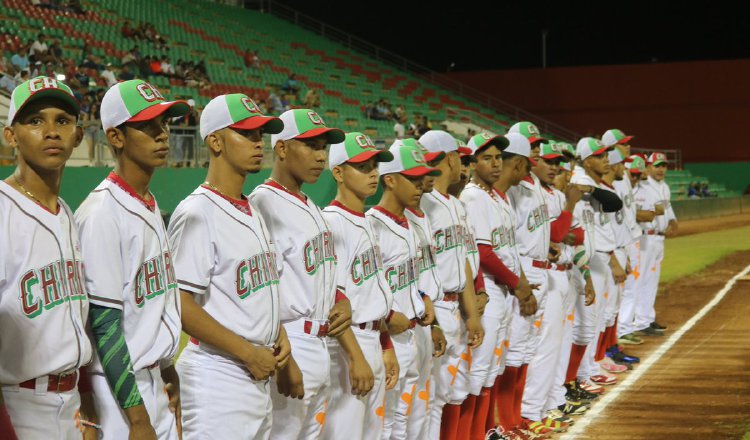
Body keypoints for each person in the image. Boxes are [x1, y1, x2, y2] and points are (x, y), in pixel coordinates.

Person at [167, 93, 294, 439]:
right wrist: (248, 353)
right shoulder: (197, 212)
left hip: (253, 372)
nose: (258, 142)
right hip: (217, 374)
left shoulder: (251, 208)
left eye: (259, 134)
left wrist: (277, 334)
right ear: (216, 141)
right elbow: (179, 303)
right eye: (246, 133)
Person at [75, 79, 191, 439]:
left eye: (163, 124)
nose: (161, 134)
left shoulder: (146, 200)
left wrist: (168, 371)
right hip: (118, 393)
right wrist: (138, 420)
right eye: (147, 126)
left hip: (151, 380)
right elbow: (105, 326)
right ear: (116, 137)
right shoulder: (101, 214)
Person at [248, 109, 354, 439]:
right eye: (310, 145)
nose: (321, 155)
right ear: (281, 149)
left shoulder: (310, 204)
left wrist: (343, 300)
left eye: (323, 147)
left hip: (320, 341)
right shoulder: (263, 203)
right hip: (290, 340)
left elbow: (323, 274)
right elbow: (263, 289)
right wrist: (285, 357)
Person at [0, 76, 95, 440]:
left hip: (69, 404)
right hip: (18, 405)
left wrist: (84, 402)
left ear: (78, 135)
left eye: (62, 120)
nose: (52, 131)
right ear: (11, 136)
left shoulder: (66, 214)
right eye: (36, 121)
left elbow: (70, 320)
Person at [321, 132, 397, 440]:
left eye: (375, 166)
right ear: (338, 172)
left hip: (372, 337)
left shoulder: (364, 219)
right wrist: (355, 357)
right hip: (347, 346)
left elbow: (371, 294)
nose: (373, 173)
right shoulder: (332, 222)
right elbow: (333, 299)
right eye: (363, 167)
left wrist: (385, 345)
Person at [460, 132, 536, 439]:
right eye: (487, 158)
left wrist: (519, 285)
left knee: (490, 371)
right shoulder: (474, 196)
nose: (494, 164)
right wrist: (518, 284)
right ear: (474, 162)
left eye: (497, 158)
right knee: (477, 374)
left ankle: (488, 431)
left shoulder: (495, 197)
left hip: (500, 291)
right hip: (487, 289)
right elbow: (483, 252)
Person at [367, 140, 438, 439]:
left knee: (407, 418)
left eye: (422, 176)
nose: (420, 184)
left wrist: (423, 297)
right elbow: (366, 288)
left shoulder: (410, 223)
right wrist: (385, 322)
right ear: (390, 179)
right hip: (388, 338)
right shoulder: (372, 224)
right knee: (385, 423)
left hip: (413, 333)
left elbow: (410, 277)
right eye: (412, 177)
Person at [417, 131, 485, 440]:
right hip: (434, 308)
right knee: (430, 397)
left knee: (449, 391)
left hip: (455, 303)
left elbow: (464, 264)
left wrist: (471, 315)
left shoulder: (455, 205)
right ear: (451, 158)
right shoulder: (423, 204)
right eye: (461, 156)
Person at [633, 152, 678, 336]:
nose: (660, 169)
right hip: (644, 238)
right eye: (657, 165)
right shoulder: (642, 186)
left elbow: (667, 208)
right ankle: (636, 321)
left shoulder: (664, 187)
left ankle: (647, 319)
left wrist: (673, 220)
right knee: (640, 280)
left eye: (663, 166)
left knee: (651, 282)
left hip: (659, 239)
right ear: (648, 167)